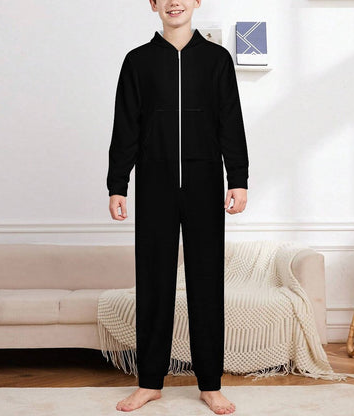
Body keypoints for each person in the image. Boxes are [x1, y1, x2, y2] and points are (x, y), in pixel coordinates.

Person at [107, 0, 249, 413]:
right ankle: (149, 382)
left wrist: (238, 178)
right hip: (155, 184)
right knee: (153, 284)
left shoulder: (217, 60)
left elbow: (230, 120)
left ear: (196, 1)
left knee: (207, 283)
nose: (174, 2)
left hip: (205, 185)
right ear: (153, 4)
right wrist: (118, 184)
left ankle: (210, 384)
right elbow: (125, 125)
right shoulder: (138, 61)